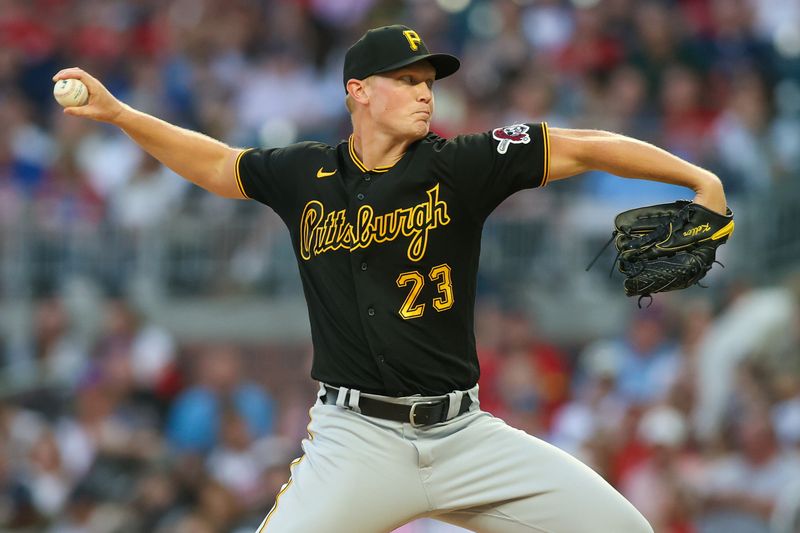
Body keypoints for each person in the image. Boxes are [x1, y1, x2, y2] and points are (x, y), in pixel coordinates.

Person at [53, 24, 728, 533]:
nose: (424, 93)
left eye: (429, 82)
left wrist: (697, 176)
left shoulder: (461, 164)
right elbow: (218, 166)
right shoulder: (305, 173)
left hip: (465, 435)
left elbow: (583, 145)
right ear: (359, 92)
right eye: (407, 80)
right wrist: (120, 115)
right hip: (357, 441)